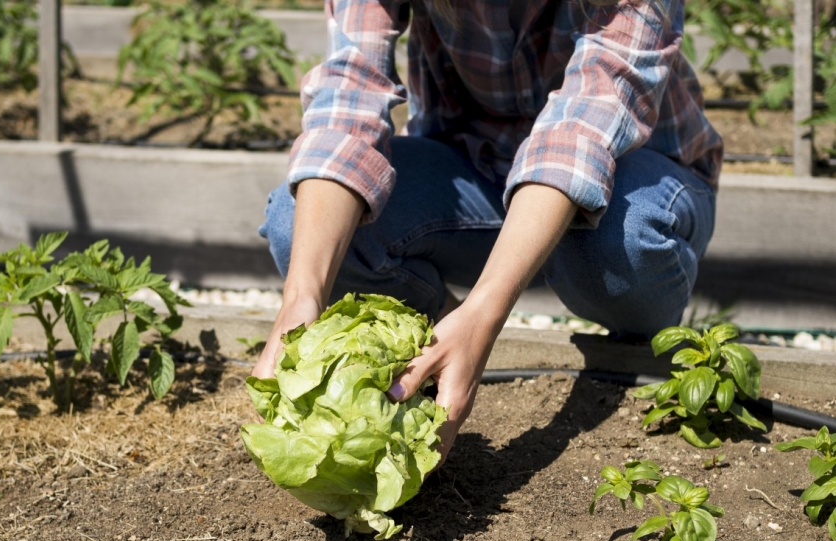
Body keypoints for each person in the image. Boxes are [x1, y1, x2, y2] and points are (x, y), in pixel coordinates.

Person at [252, 0, 722, 465]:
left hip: (635, 175)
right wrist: (301, 297)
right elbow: (348, 96)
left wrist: (487, 310)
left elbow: (586, 123)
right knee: (297, 227)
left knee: (613, 240)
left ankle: (637, 354)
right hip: (476, 168)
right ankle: (441, 345)